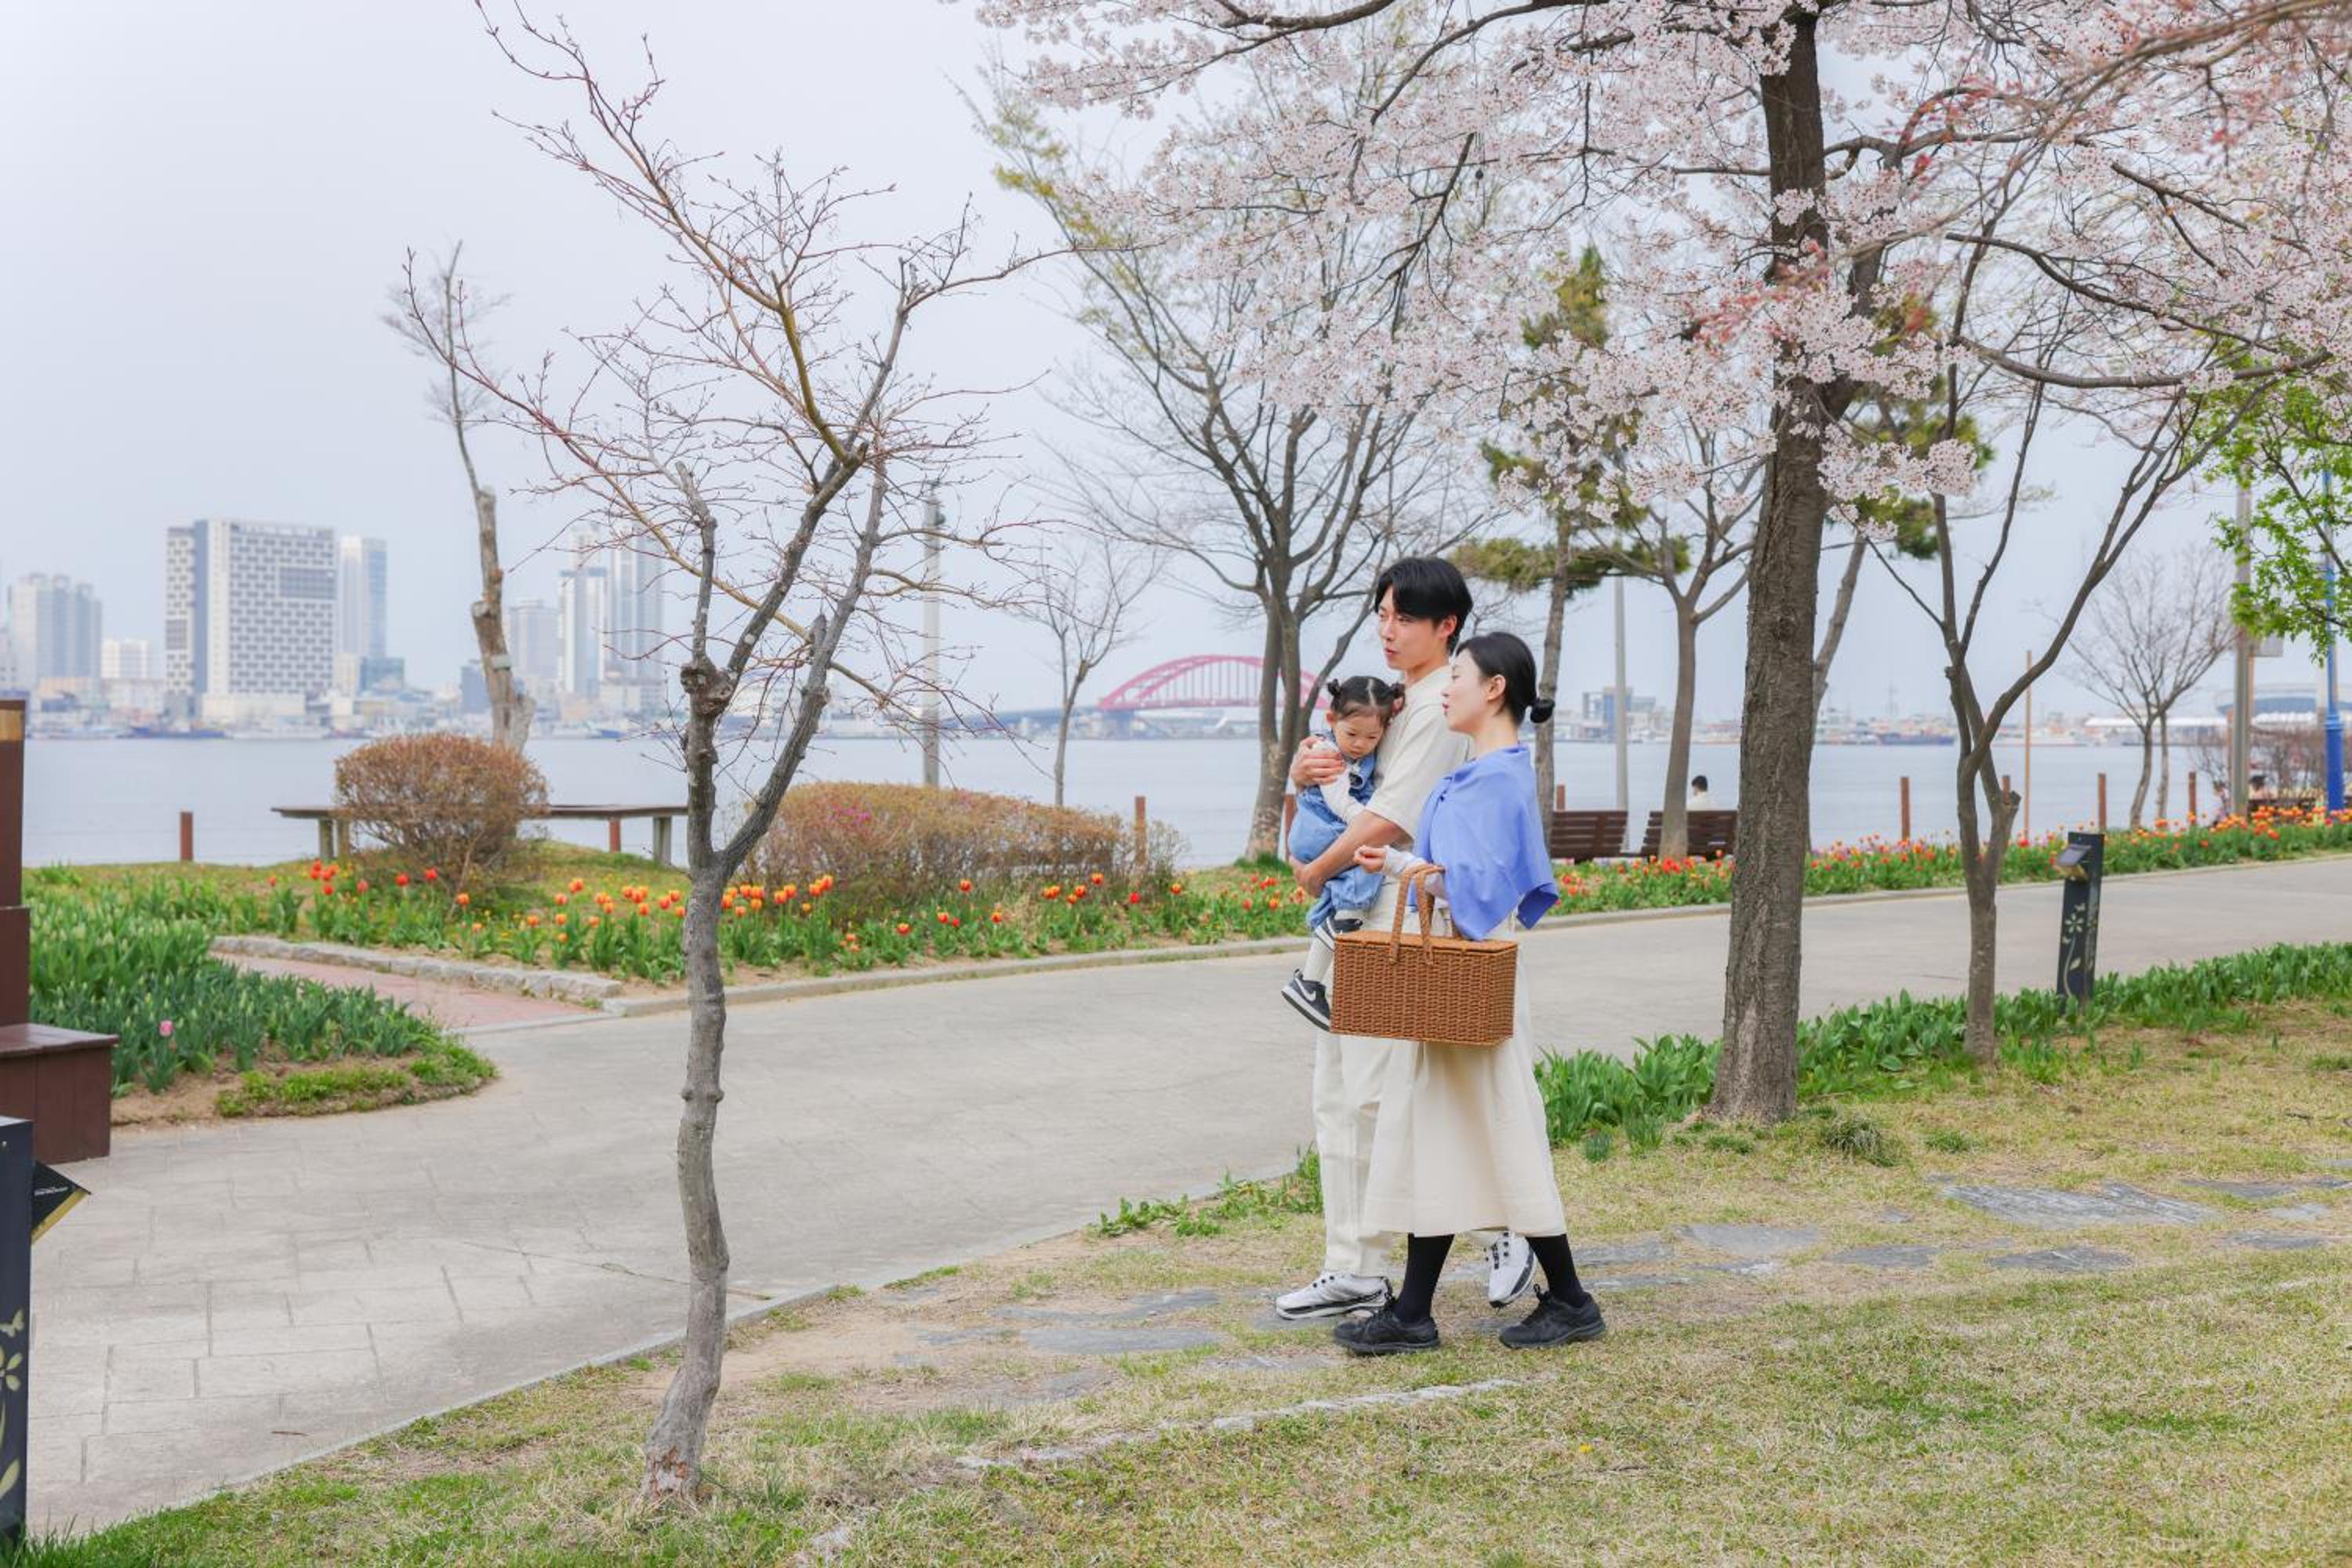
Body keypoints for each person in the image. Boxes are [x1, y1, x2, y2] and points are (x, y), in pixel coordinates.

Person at [1334, 631, 1604, 1355]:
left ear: (1494, 689)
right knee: (1444, 1134)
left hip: (1470, 979)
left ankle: (1567, 1300)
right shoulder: (1492, 772)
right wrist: (1402, 862)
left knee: (1499, 1132)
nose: (1446, 687)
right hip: (1459, 978)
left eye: (1458, 675)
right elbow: (1469, 879)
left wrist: (1403, 866)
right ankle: (1416, 1312)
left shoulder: (1495, 779)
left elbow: (1478, 892)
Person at [1272, 558, 1497, 1323]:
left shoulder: (1438, 707)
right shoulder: (1395, 702)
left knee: (1372, 1097)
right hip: (1361, 923)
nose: (1387, 629)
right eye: (1383, 615)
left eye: (1404, 617)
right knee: (1339, 1096)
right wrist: (1305, 770)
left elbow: (1390, 819)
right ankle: (1352, 1264)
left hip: (1393, 921)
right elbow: (1349, 780)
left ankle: (1495, 1230)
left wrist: (1315, 870)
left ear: (1447, 626)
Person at [1281, 677, 1403, 1029]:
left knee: (1352, 893)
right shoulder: (1326, 752)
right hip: (1319, 829)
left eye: (1372, 738)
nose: (1360, 744)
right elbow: (1339, 803)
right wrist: (1373, 824)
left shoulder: (1360, 747)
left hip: (1327, 828)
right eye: (1352, 734)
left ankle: (1309, 980)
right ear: (1332, 719)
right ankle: (1314, 969)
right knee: (1366, 870)